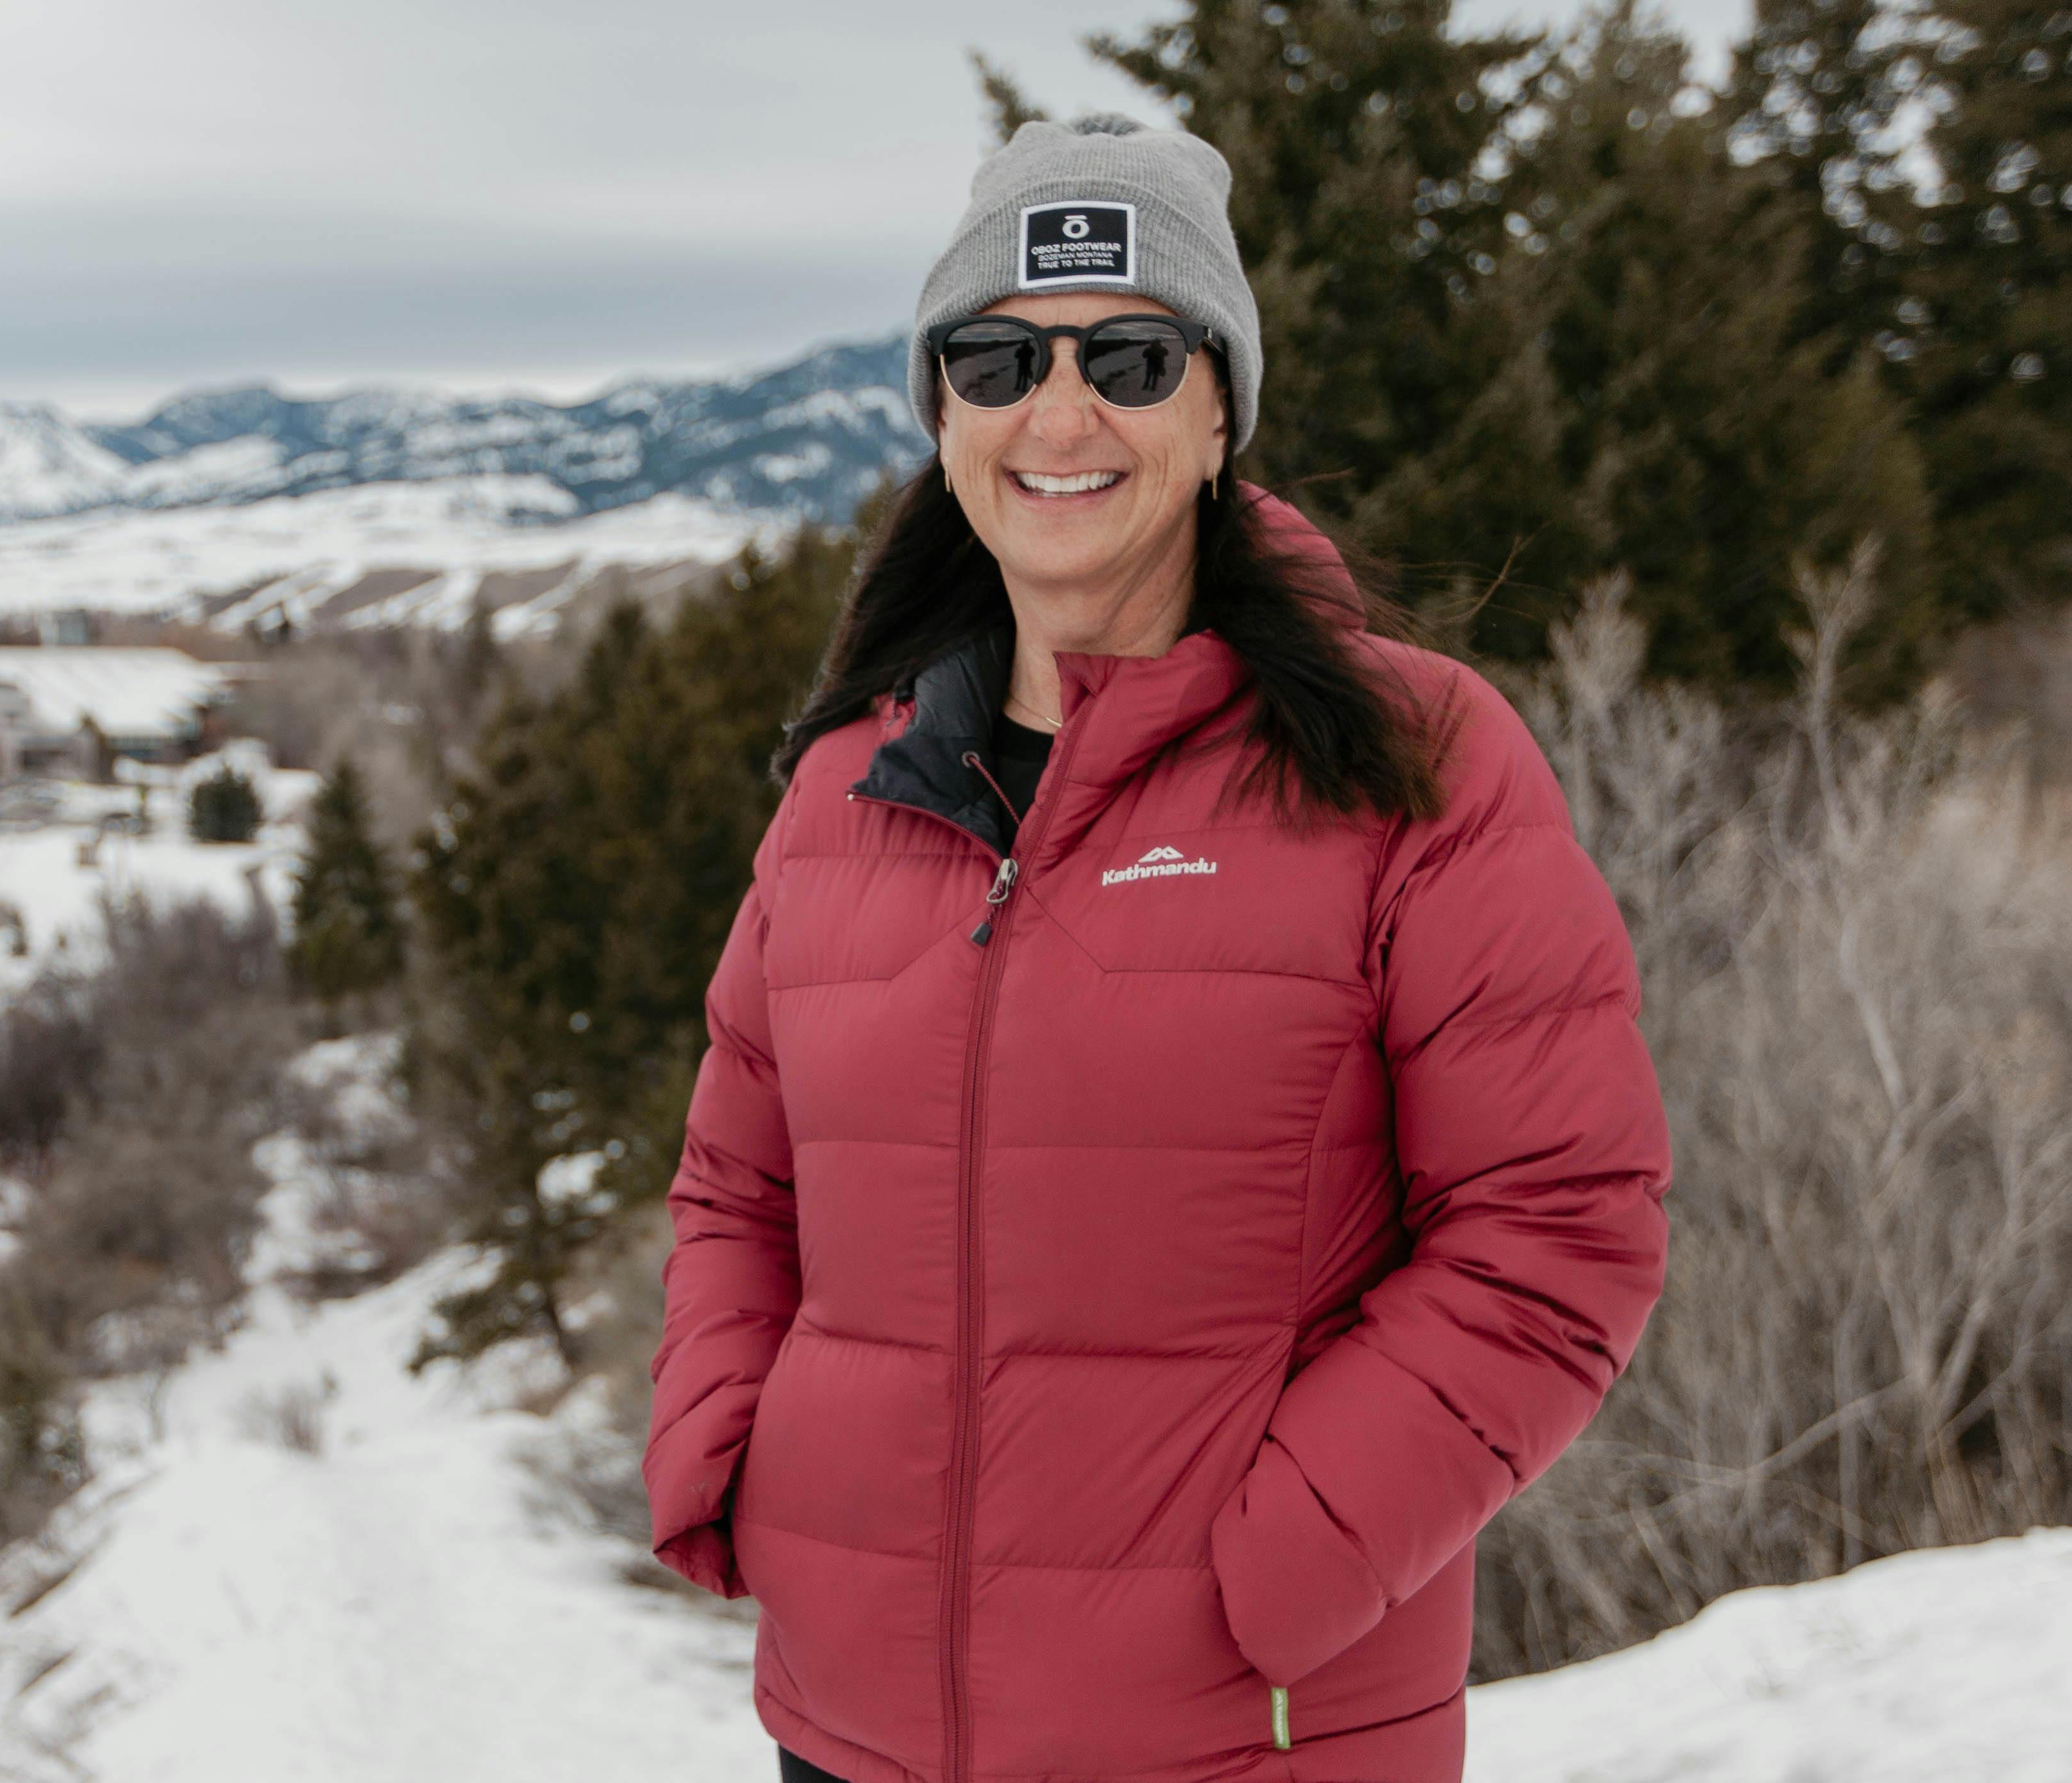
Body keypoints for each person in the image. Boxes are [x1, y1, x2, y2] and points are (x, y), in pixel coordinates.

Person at [643, 115, 1672, 1783]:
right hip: (846, 1730)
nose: (1058, 414)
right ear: (940, 413)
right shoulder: (848, 782)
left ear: (1214, 413)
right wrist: (728, 1447)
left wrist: (1276, 1566)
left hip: (1236, 1737)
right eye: (996, 360)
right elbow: (736, 1190)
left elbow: (1556, 1231)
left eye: (1127, 355)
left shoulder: (1413, 763)